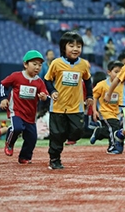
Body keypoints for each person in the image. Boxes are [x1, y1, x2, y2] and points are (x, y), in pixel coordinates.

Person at [44, 31, 93, 169]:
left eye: (78, 46)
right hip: (58, 106)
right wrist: (52, 91)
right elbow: (47, 80)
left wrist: (89, 96)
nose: (75, 48)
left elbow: (88, 81)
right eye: (71, 45)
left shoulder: (83, 64)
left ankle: (66, 138)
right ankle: (54, 159)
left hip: (76, 106)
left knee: (78, 131)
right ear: (63, 47)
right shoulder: (56, 63)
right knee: (57, 135)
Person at [0, 50, 48, 164]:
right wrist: (3, 98)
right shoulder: (16, 76)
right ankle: (10, 143)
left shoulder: (40, 82)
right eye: (34, 64)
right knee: (17, 128)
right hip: (16, 110)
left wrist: (44, 97)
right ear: (25, 64)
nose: (37, 67)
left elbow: (46, 94)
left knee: (32, 138)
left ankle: (24, 157)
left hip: (30, 115)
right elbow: (3, 84)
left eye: (40, 65)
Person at [90, 61, 124, 153]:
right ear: (109, 72)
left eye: (121, 72)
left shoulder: (122, 85)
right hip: (104, 112)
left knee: (114, 129)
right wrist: (94, 111)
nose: (118, 75)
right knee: (113, 128)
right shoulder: (102, 85)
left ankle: (98, 133)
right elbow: (94, 97)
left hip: (116, 113)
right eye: (116, 72)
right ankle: (113, 147)